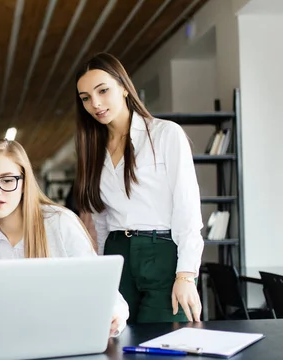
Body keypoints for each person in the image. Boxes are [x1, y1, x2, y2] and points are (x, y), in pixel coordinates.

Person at [73, 52, 203, 323]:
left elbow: (187, 208)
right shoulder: (92, 149)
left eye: (103, 90)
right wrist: (99, 274)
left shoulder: (166, 134)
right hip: (116, 253)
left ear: (123, 87)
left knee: (165, 344)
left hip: (161, 251)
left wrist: (186, 275)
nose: (95, 103)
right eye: (85, 98)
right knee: (117, 345)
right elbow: (100, 220)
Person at [0, 140, 129, 336]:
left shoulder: (59, 223)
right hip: (14, 337)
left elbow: (109, 296)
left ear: (24, 183)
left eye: (7, 180)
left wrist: (112, 316)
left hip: (66, 334)